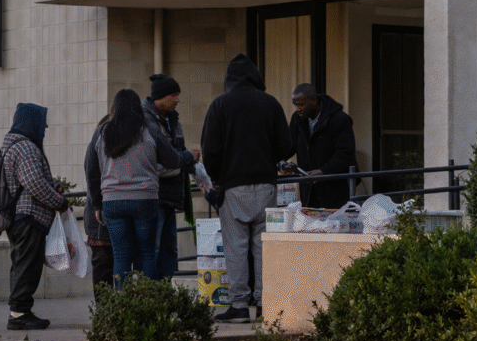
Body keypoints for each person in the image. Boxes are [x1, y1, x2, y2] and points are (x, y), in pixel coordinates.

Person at [201, 54, 293, 323]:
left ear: (229, 79)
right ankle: (267, 303)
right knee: (263, 246)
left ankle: (239, 305)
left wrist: (217, 178)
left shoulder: (220, 105)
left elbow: (210, 149)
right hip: (266, 185)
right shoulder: (270, 103)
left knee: (236, 247)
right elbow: (286, 146)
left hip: (232, 186)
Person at [86, 88, 191, 284]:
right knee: (147, 254)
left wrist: (98, 204)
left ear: (115, 109)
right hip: (144, 200)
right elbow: (172, 160)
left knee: (121, 256)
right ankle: (148, 304)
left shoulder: (101, 133)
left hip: (113, 202)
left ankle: (121, 307)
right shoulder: (149, 131)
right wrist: (188, 156)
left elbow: (91, 171)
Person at [0, 102, 72, 331]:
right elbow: (34, 184)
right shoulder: (26, 148)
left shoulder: (14, 147)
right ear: (32, 123)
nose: (46, 127)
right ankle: (19, 314)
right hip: (28, 217)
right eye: (43, 123)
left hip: (19, 217)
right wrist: (58, 201)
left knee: (23, 265)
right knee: (27, 266)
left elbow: (32, 180)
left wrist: (53, 186)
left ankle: (20, 311)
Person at [142, 73, 200, 280]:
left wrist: (195, 170)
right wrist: (184, 161)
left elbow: (178, 154)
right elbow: (153, 164)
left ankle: (162, 296)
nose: (177, 99)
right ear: (160, 96)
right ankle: (150, 297)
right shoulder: (146, 121)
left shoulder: (172, 120)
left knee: (169, 251)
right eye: (173, 95)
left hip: (170, 196)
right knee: (153, 250)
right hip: (153, 197)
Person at [282, 83, 359, 209]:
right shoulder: (297, 119)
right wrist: (281, 163)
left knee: (333, 227)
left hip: (335, 192)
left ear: (313, 100)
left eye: (301, 104)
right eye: (295, 104)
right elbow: (289, 146)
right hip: (308, 192)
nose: (297, 108)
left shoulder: (339, 119)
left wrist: (323, 171)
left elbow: (345, 154)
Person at [82, 115, 114, 300]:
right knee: (103, 263)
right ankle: (105, 310)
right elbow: (92, 173)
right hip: (99, 215)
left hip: (100, 211)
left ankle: (107, 310)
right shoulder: (101, 138)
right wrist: (98, 204)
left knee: (105, 264)